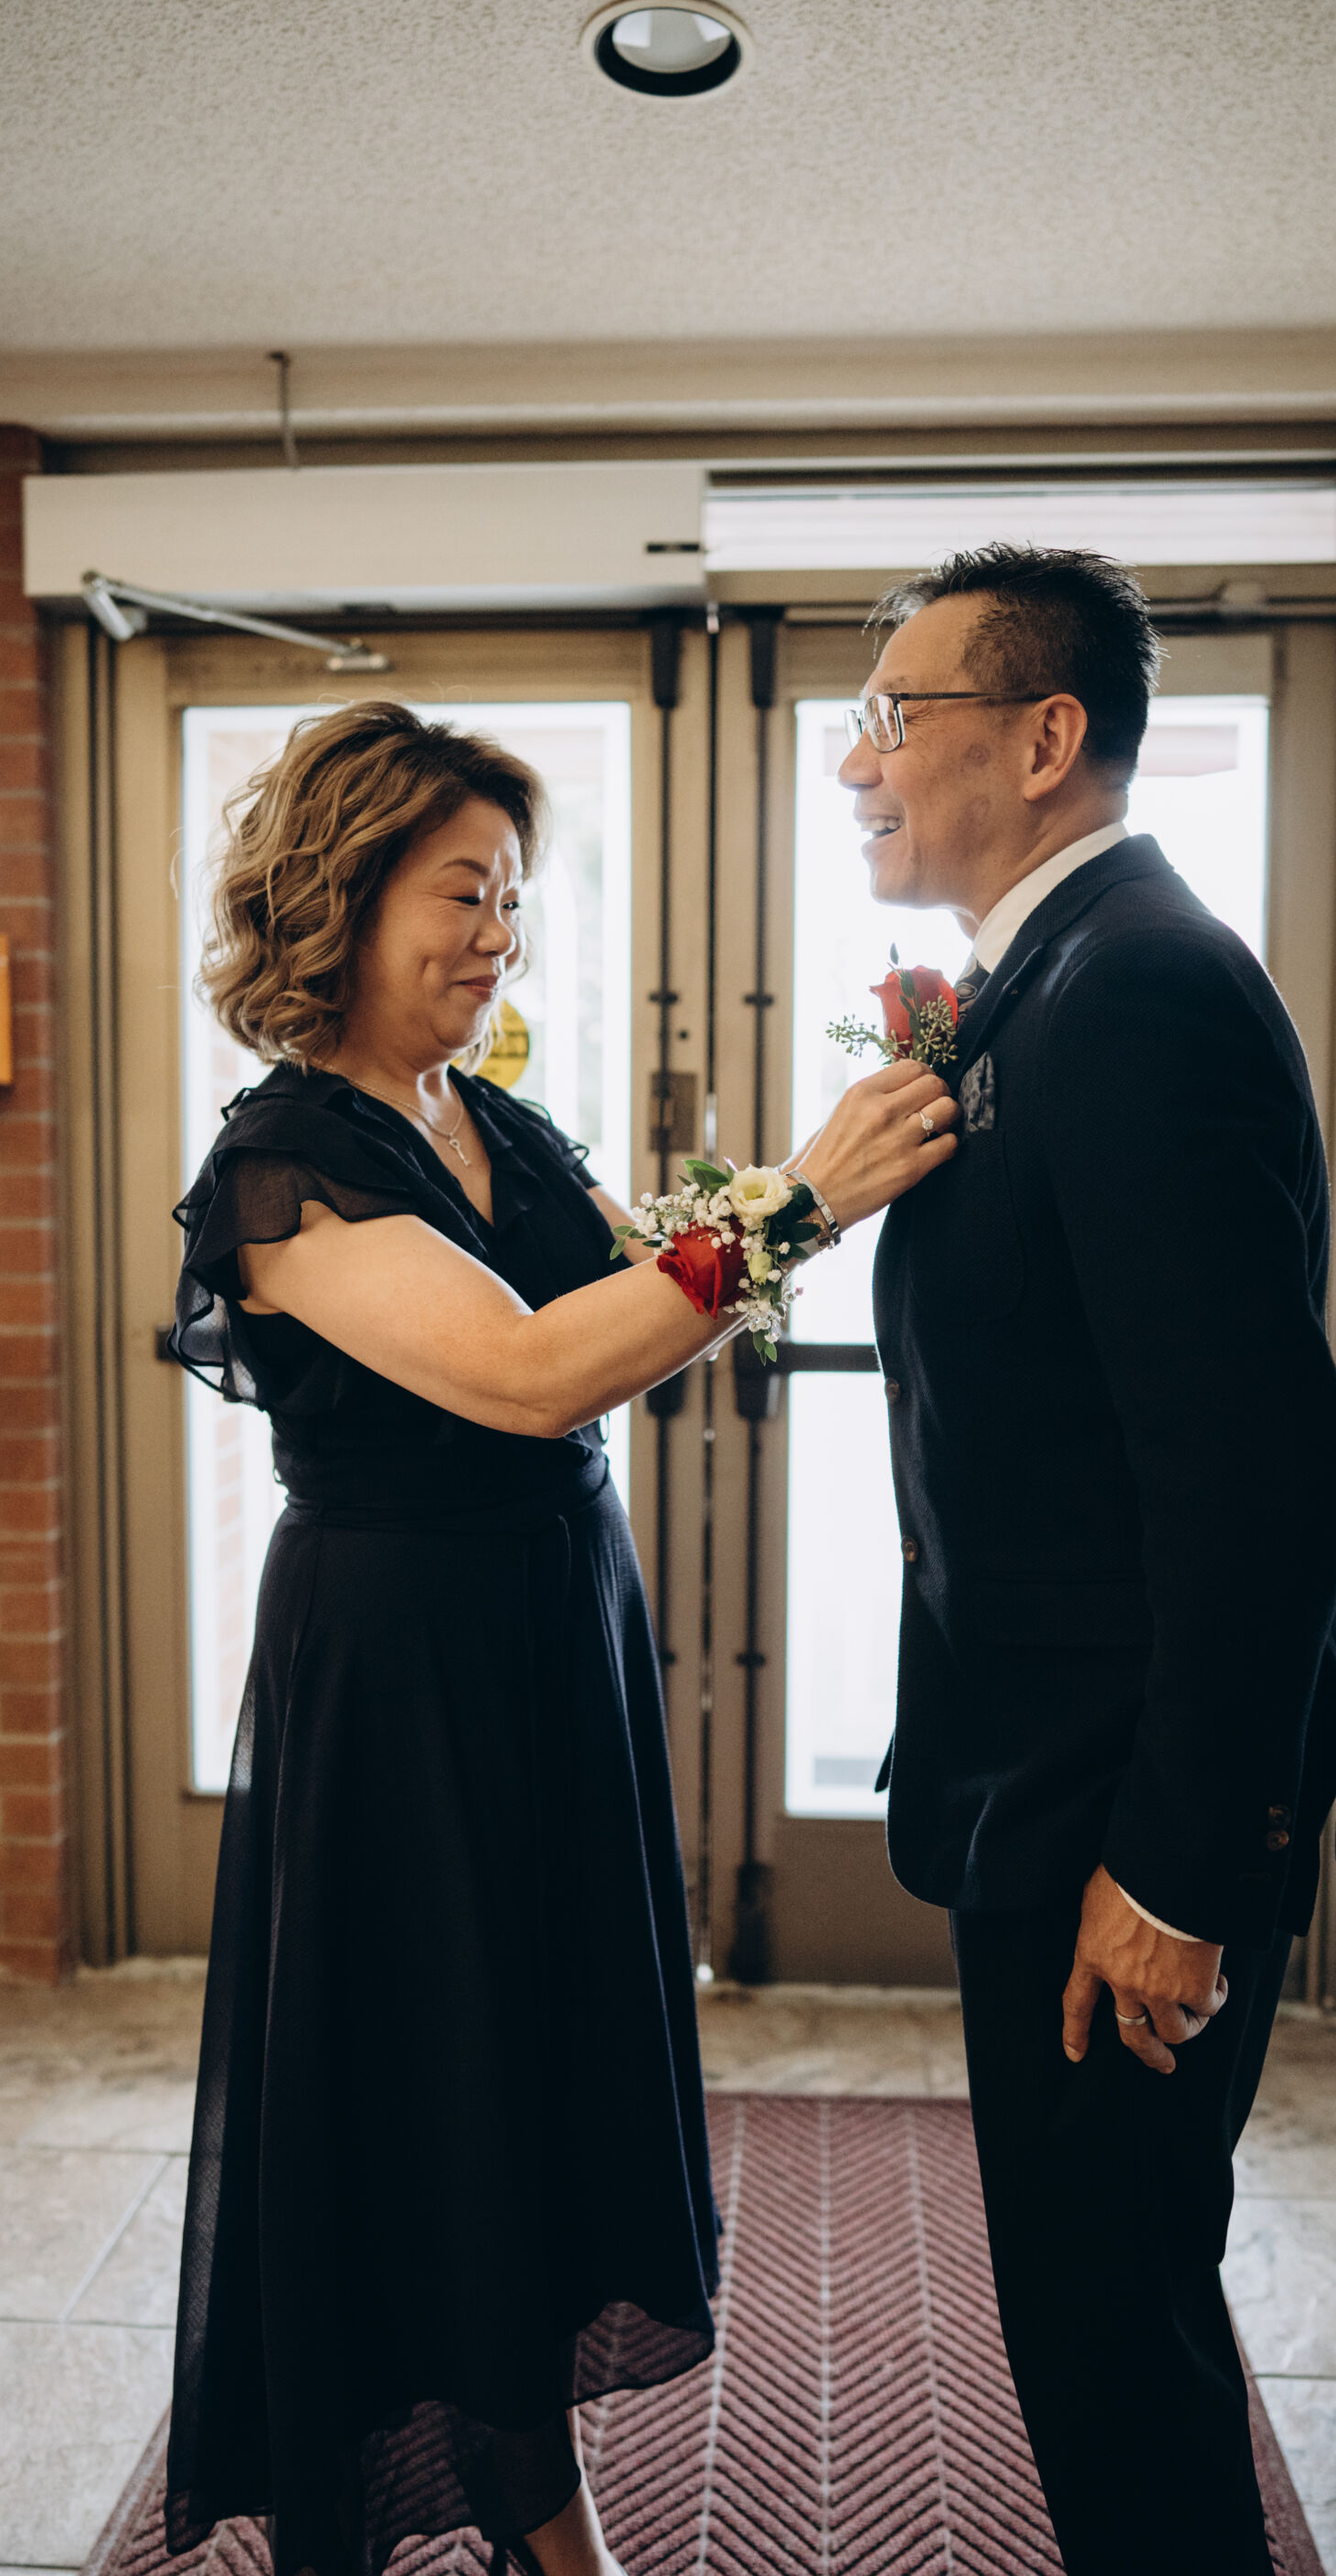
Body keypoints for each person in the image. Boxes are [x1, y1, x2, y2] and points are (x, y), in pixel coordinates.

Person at [164, 700, 959, 2576]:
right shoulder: (287, 1165)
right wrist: (807, 1194)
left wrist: (840, 1182)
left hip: (551, 1634)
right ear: (341, 896)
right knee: (429, 2071)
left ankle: (534, 2493)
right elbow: (532, 1372)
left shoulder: (487, 1115)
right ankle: (501, 2506)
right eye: (463, 893)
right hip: (406, 1670)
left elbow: (646, 1299)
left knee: (531, 2064)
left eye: (513, 897)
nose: (497, 935)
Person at [843, 546, 1336, 2576]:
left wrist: (1173, 1867)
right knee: (1091, 2315)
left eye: (897, 718)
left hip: (1121, 1806)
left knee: (1113, 2337)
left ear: (1047, 737)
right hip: (1056, 1776)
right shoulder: (1050, 978)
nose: (859, 765)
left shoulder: (1139, 986)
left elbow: (1256, 1473)